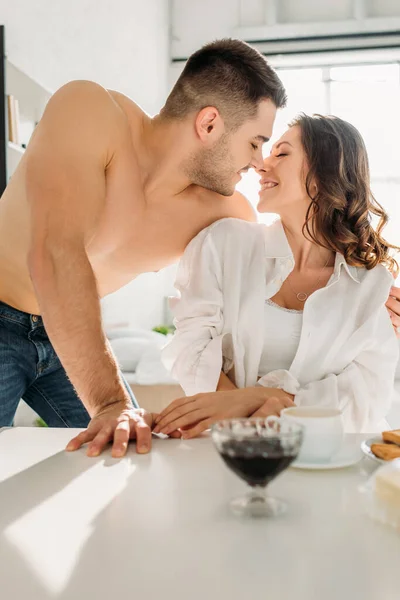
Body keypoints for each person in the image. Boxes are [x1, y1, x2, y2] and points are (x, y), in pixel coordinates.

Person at [0, 39, 286, 457]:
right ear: (209, 124)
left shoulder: (224, 211)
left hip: (70, 338)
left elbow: (280, 285)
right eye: (255, 142)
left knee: (130, 455)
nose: (259, 162)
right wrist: (112, 403)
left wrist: (371, 307)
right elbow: (55, 256)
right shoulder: (89, 111)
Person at [155, 114, 400, 437]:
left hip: (327, 458)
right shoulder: (225, 242)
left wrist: (269, 399)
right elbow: (190, 346)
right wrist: (245, 414)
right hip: (228, 448)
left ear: (324, 173)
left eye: (281, 154)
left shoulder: (369, 285)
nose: (260, 165)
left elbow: (364, 399)